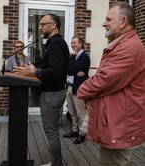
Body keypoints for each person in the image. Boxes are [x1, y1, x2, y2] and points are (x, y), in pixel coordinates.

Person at [77, 2, 145, 166]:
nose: (103, 23)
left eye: (108, 19)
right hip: (117, 119)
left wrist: (82, 91)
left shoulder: (127, 48)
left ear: (123, 22)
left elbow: (103, 80)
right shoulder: (124, 44)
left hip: (120, 122)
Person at [14, 14, 69, 166]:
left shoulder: (56, 44)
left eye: (43, 24)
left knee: (51, 133)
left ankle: (56, 164)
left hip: (52, 94)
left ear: (53, 25)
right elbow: (57, 68)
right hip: (53, 92)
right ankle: (55, 162)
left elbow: (56, 71)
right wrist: (35, 70)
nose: (40, 28)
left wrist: (35, 72)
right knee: (52, 132)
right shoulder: (56, 43)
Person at [63, 36, 90, 144]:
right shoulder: (72, 56)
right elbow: (66, 69)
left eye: (74, 43)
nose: (72, 44)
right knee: (72, 112)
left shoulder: (84, 57)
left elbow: (71, 69)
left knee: (80, 113)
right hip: (69, 87)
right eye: (71, 42)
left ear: (81, 44)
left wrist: (72, 66)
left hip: (79, 88)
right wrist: (74, 71)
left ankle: (82, 134)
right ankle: (75, 130)